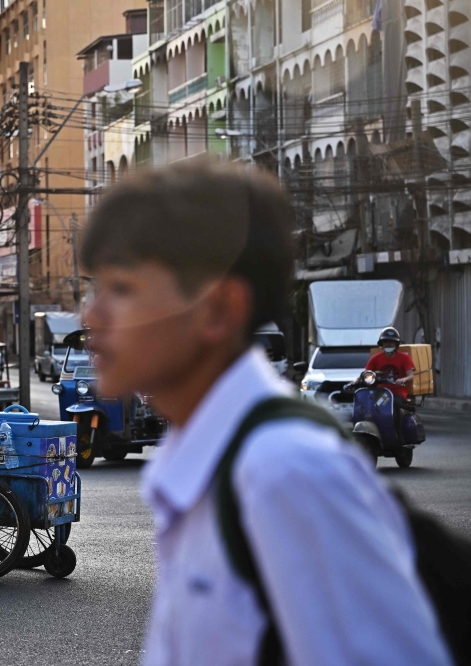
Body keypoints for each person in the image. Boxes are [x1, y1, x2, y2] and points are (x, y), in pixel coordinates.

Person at [80, 162, 452, 665]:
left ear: (216, 309)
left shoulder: (283, 474)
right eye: (94, 287)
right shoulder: (203, 459)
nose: (91, 316)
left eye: (121, 289)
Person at [363, 326, 416, 400]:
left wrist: (403, 379)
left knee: (395, 403)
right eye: (385, 342)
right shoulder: (375, 358)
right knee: (369, 402)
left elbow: (411, 376)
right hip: (380, 391)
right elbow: (366, 373)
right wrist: (355, 381)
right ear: (382, 344)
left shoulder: (405, 358)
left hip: (398, 392)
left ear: (396, 344)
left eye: (391, 342)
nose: (388, 344)